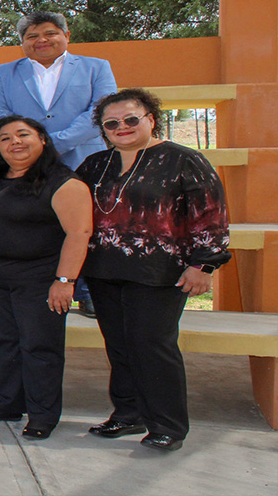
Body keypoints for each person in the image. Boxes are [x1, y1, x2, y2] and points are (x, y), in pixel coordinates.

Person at [77, 88, 230, 452]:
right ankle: (128, 415)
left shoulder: (183, 160)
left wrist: (203, 264)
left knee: (152, 345)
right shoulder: (95, 165)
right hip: (103, 270)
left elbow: (211, 217)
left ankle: (168, 425)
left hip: (160, 273)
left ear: (151, 118)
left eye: (132, 119)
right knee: (119, 346)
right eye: (111, 123)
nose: (122, 127)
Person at [0, 116, 92, 441]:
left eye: (23, 135)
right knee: (5, 343)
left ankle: (42, 415)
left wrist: (65, 280)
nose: (14, 142)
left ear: (43, 140)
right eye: (6, 138)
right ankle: (8, 403)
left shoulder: (63, 182)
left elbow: (79, 233)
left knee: (40, 347)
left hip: (39, 277)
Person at [0, 11, 117, 318]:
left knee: (87, 225)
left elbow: (101, 110)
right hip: (25, 164)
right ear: (22, 42)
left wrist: (51, 144)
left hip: (84, 158)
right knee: (39, 224)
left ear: (66, 35)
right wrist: (31, 147)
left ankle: (87, 291)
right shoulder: (4, 73)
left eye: (49, 33)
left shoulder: (95, 68)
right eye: (32, 36)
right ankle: (45, 286)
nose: (41, 41)